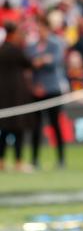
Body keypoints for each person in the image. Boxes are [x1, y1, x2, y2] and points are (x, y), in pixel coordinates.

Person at [27, 14, 69, 169]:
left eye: (43, 28)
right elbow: (30, 63)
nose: (40, 31)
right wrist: (43, 59)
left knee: (55, 125)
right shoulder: (32, 46)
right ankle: (34, 160)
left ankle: (61, 159)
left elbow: (55, 61)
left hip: (52, 90)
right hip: (37, 90)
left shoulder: (55, 43)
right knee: (35, 126)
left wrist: (41, 60)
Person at [0, 21, 34, 172]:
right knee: (18, 130)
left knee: (4, 130)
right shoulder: (15, 50)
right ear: (13, 33)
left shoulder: (2, 49)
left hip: (3, 97)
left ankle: (1, 161)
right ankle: (18, 161)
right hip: (16, 97)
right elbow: (29, 64)